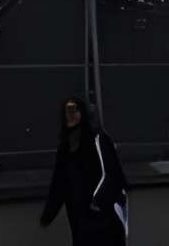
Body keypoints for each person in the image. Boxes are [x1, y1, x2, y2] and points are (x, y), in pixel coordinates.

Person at [40, 95, 129, 245]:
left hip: (103, 219)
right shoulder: (65, 147)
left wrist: (97, 201)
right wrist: (48, 214)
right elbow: (59, 183)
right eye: (67, 111)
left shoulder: (98, 140)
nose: (70, 115)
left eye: (74, 110)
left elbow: (113, 174)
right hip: (80, 219)